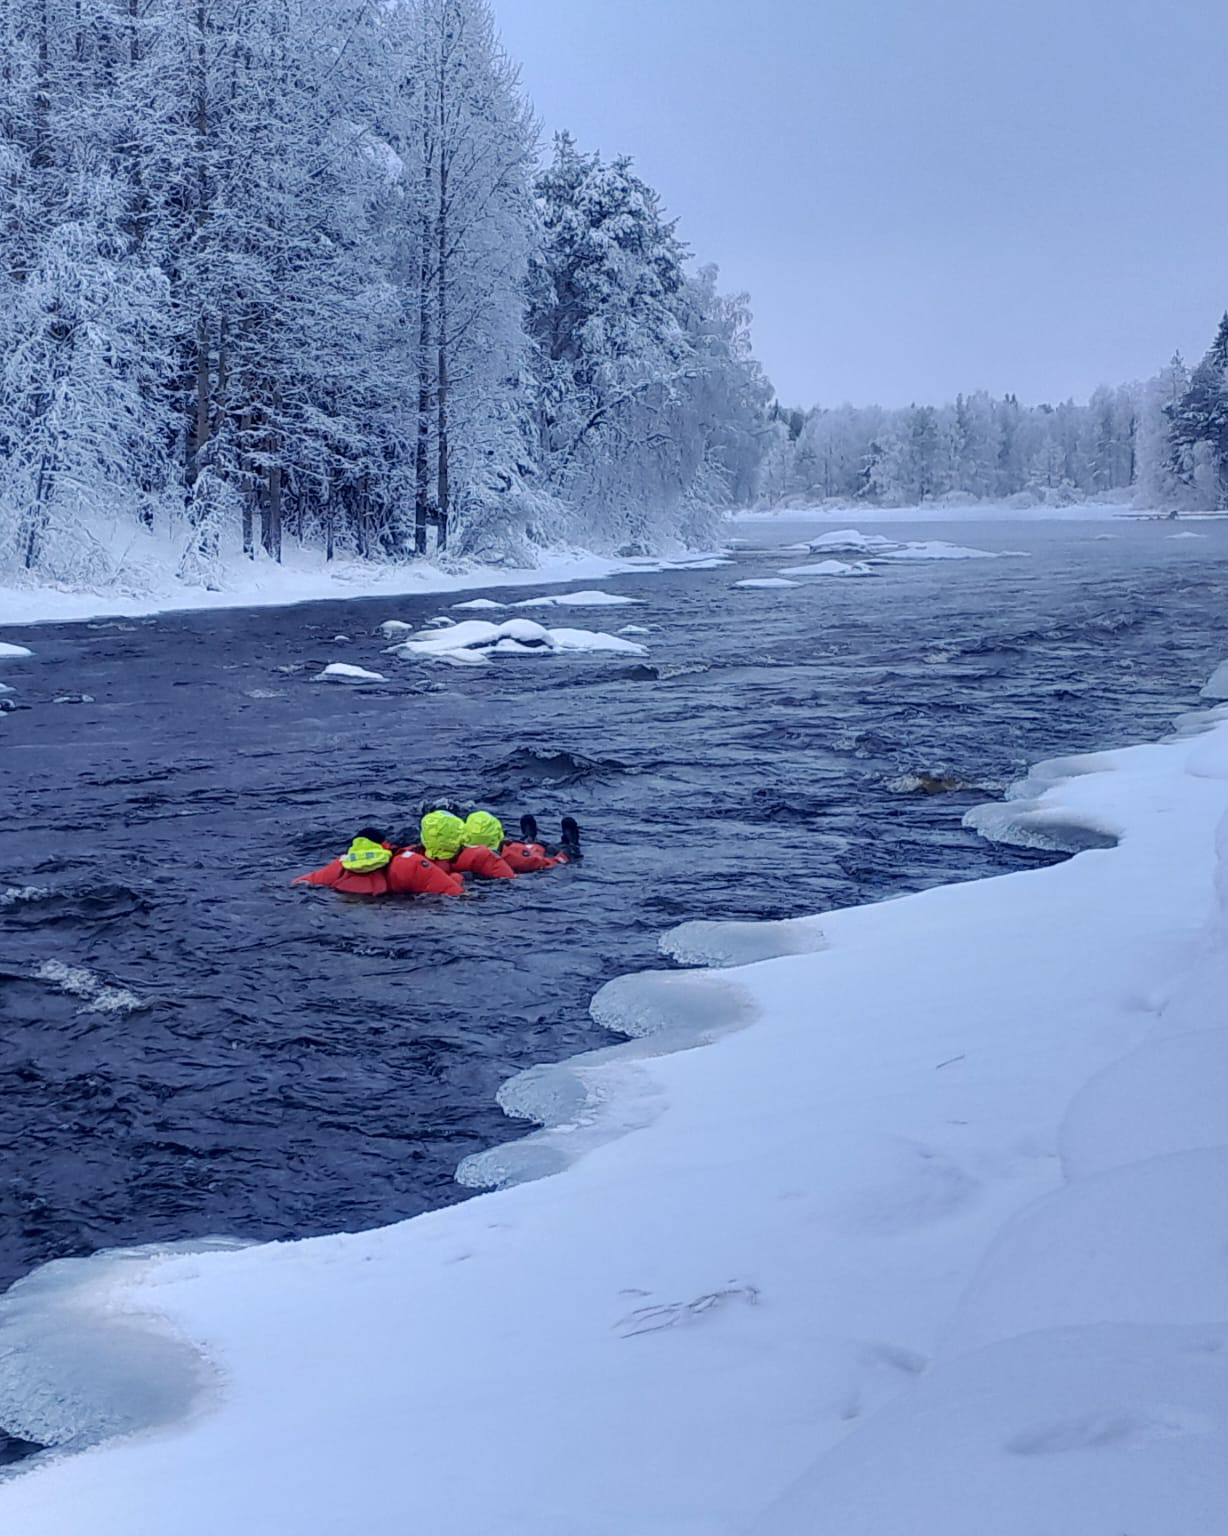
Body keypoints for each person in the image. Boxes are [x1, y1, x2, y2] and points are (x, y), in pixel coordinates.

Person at [293, 828, 465, 897]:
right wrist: (457, 877)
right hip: (399, 916)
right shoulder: (408, 864)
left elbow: (299, 883)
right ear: (384, 845)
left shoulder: (340, 865)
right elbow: (455, 894)